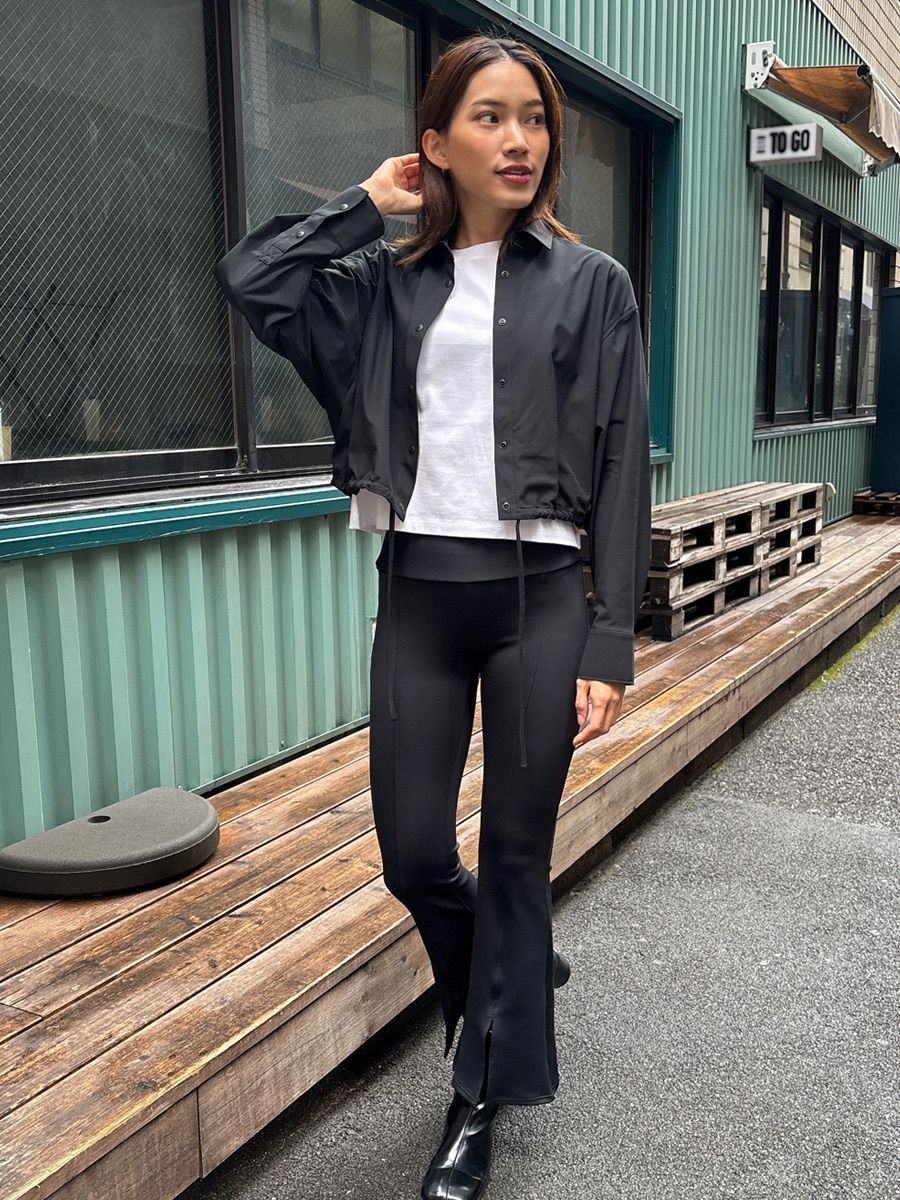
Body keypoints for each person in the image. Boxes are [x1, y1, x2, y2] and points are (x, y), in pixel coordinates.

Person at [215, 31, 651, 1200]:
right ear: (436, 144)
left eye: (535, 118)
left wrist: (610, 639)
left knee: (513, 854)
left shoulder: (593, 286)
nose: (520, 141)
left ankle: (478, 1093)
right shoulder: (379, 287)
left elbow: (622, 464)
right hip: (415, 591)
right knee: (413, 855)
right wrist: (367, 206)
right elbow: (253, 278)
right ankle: (511, 972)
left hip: (539, 601)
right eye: (490, 117)